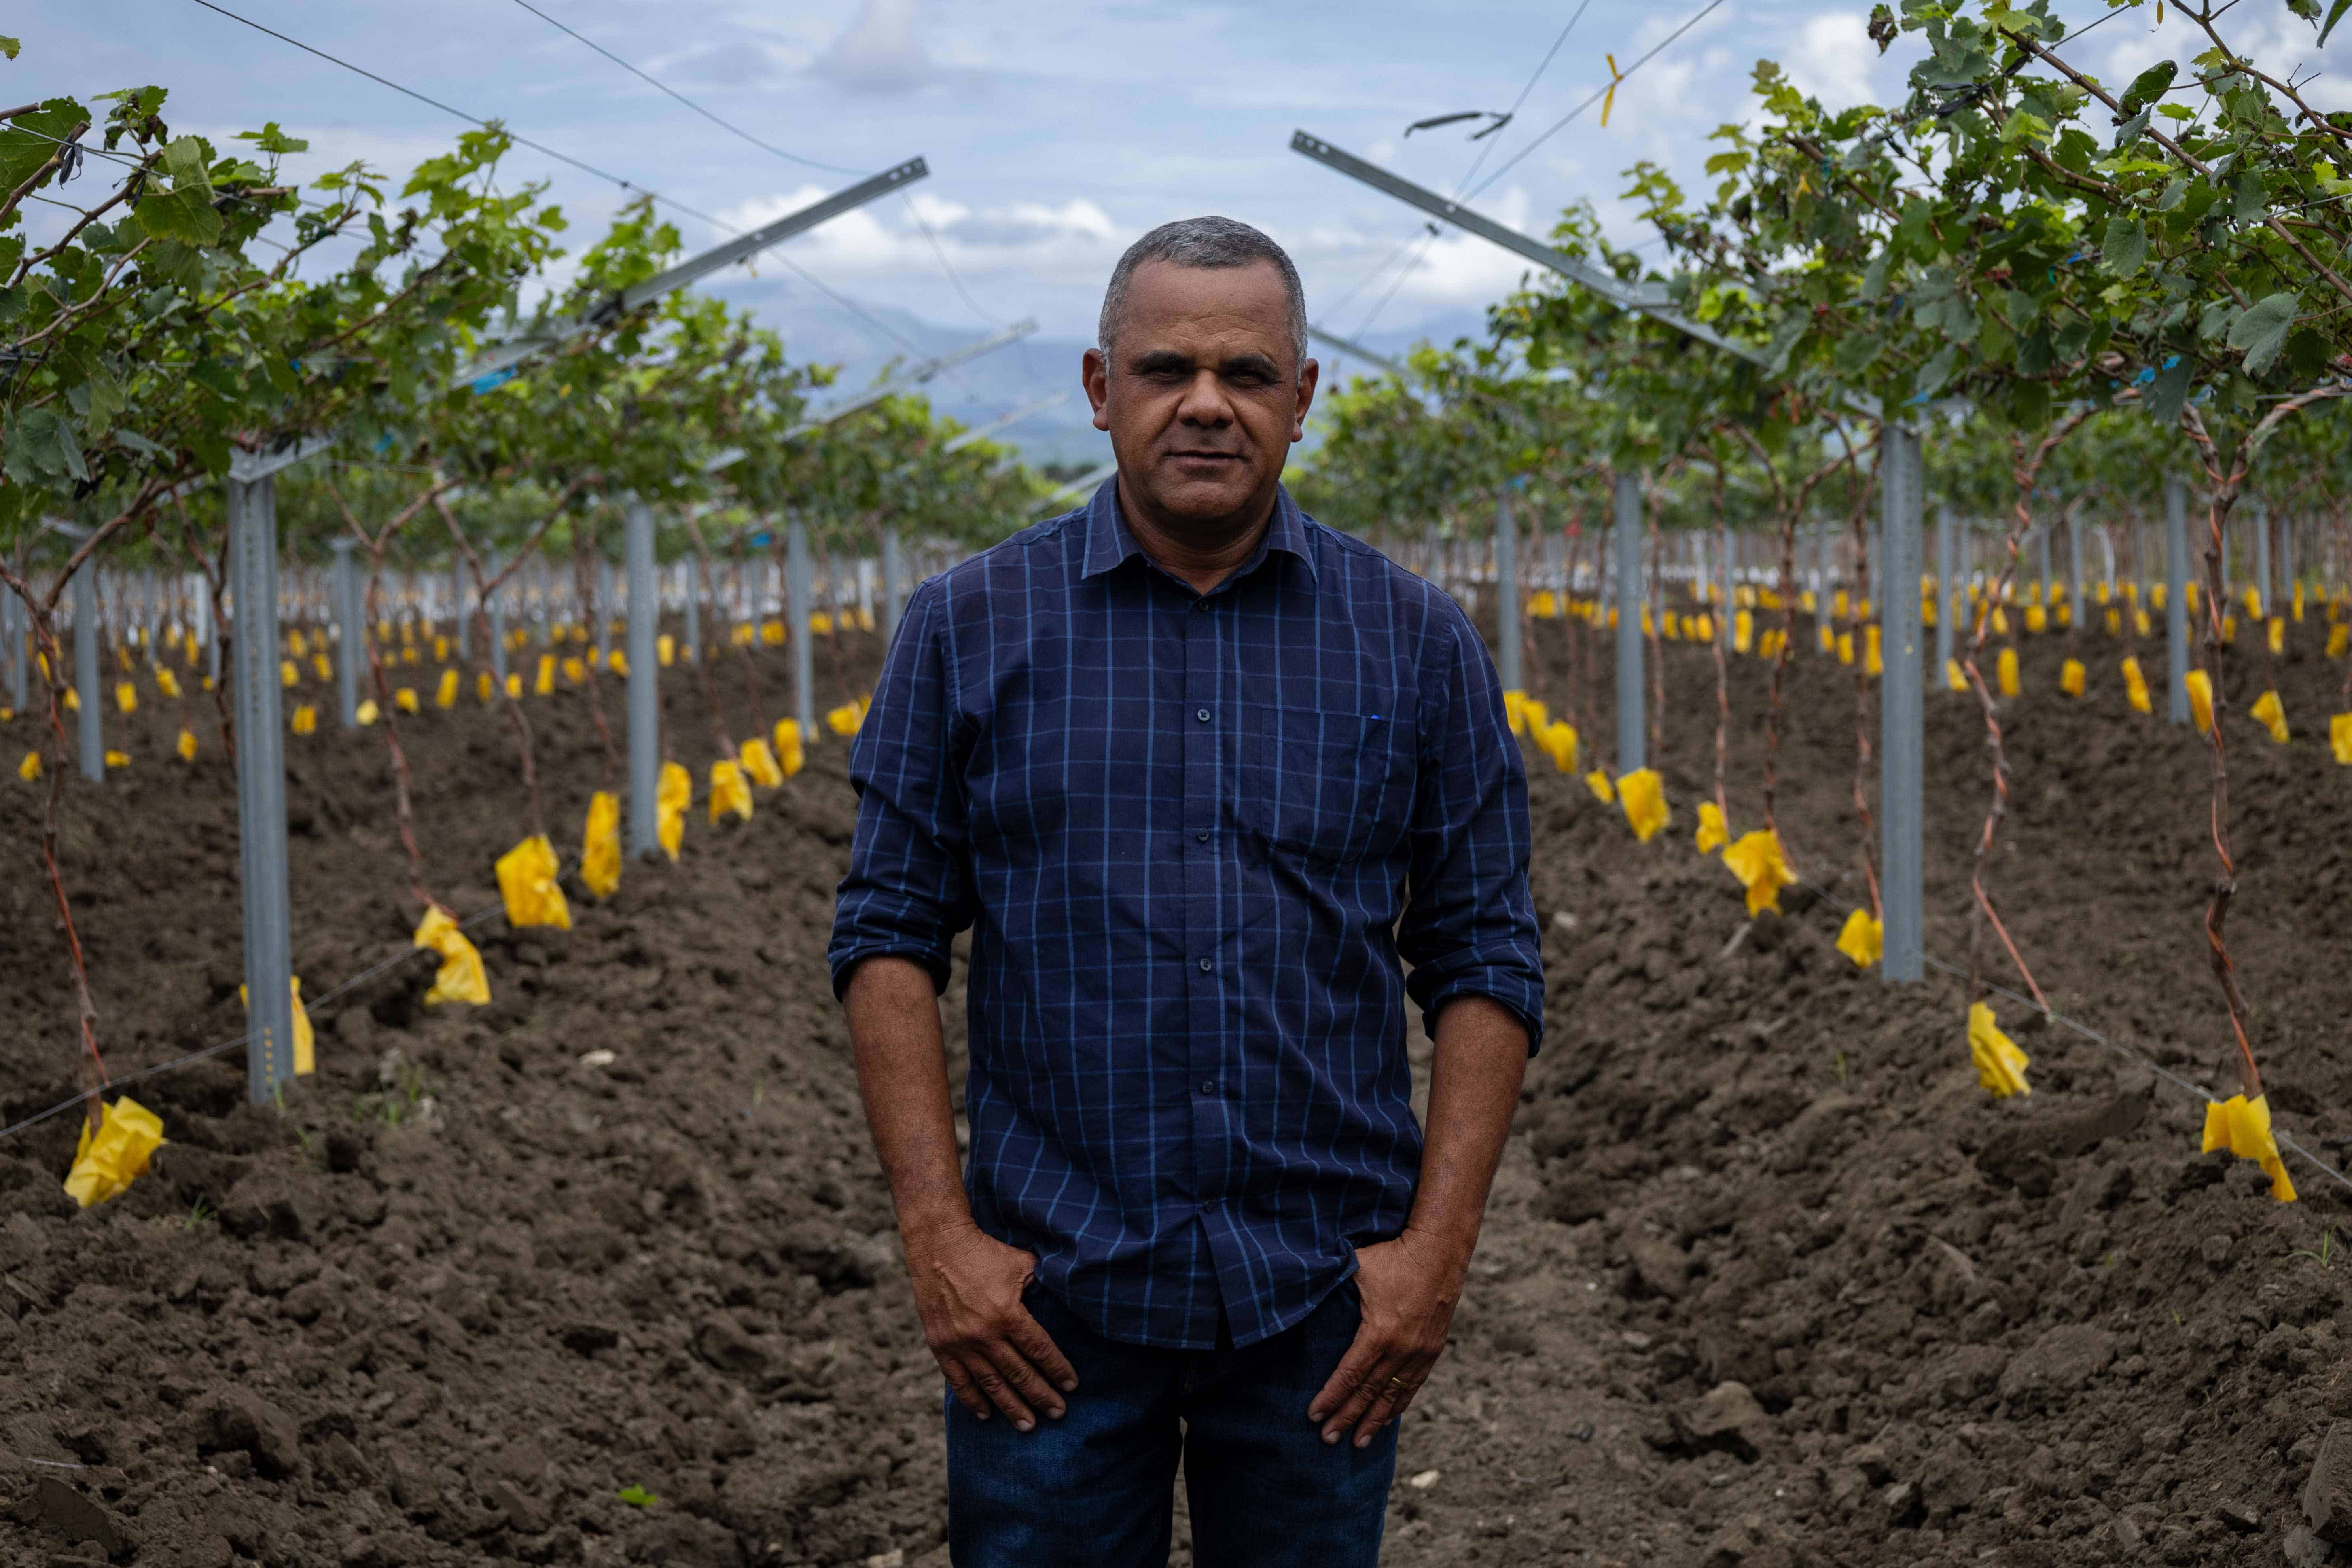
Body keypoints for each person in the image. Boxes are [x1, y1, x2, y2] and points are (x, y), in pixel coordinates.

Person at [829, 215, 1543, 1567]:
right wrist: (940, 1241)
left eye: (1248, 374)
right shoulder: (969, 625)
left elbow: (1484, 956)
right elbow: (886, 938)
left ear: (1304, 397)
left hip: (1323, 1310)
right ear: (1102, 391)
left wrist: (1431, 1260)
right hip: (1044, 1305)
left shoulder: (1416, 642)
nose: (1207, 404)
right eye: (1165, 369)